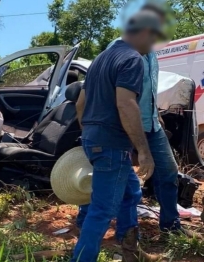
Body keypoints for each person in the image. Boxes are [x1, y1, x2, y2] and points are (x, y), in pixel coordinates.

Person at [76, 2, 202, 242]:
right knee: (109, 184)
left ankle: (166, 226)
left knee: (165, 174)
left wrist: (157, 117)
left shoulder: (150, 54)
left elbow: (148, 92)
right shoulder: (121, 52)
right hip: (123, 126)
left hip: (150, 125)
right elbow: (120, 101)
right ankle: (89, 224)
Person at [71, 10, 165, 262]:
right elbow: (126, 105)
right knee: (102, 209)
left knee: (131, 193)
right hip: (111, 144)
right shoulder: (132, 59)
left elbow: (80, 103)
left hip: (97, 140)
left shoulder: (101, 59)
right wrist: (144, 151)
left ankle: (130, 252)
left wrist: (90, 133)